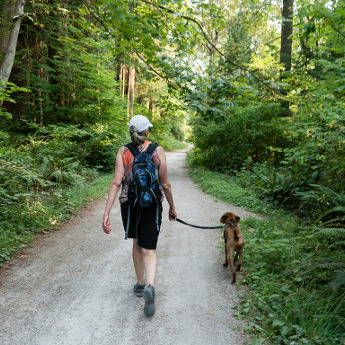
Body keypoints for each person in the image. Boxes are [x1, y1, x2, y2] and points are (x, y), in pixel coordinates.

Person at [102, 114, 177, 317]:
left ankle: (139, 283)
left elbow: (116, 182)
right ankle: (150, 287)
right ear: (147, 131)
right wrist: (172, 207)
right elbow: (165, 184)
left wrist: (106, 212)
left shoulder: (123, 151)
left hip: (130, 204)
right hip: (152, 204)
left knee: (136, 241)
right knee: (149, 248)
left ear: (131, 131)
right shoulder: (157, 150)